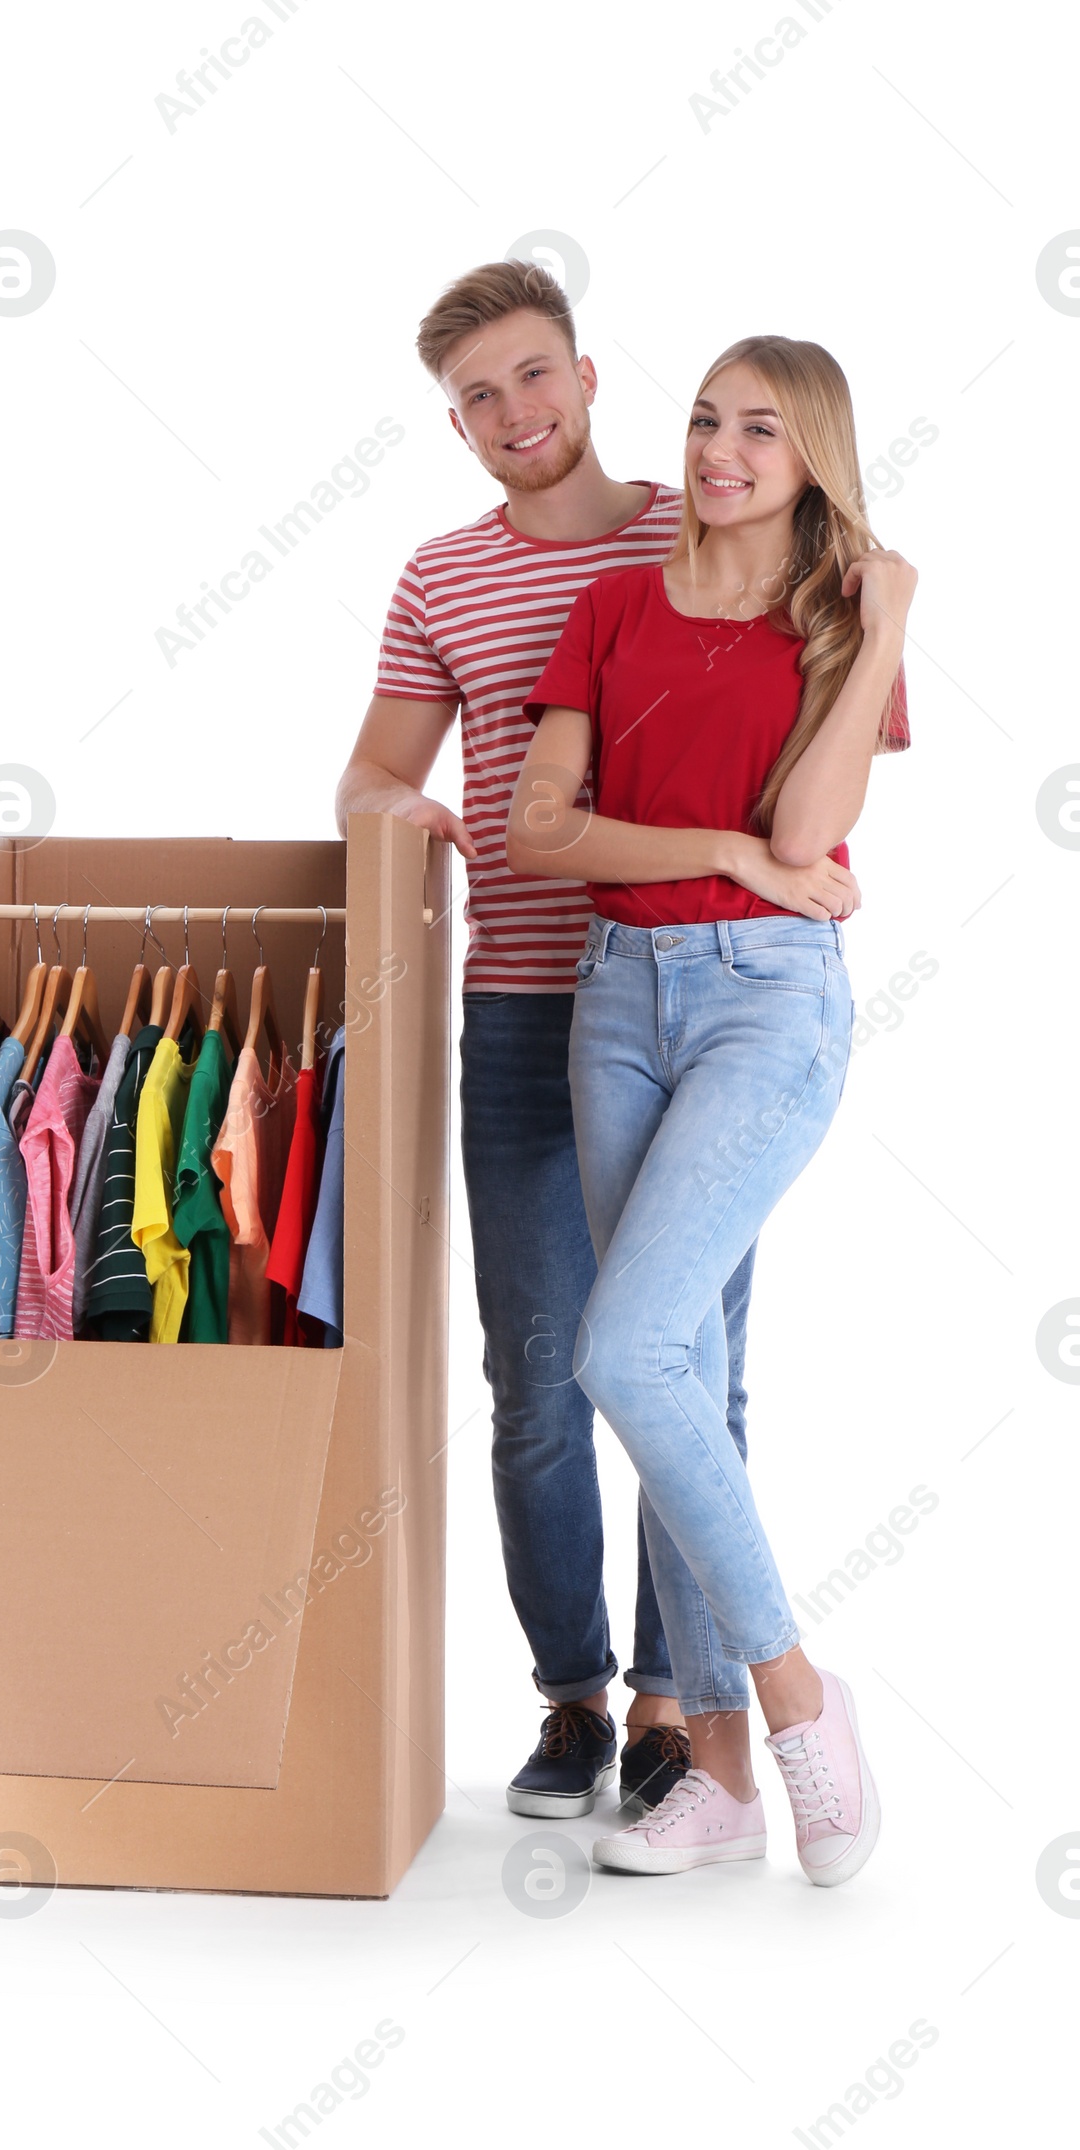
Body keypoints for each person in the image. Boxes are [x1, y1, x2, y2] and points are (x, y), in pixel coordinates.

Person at [335, 261, 756, 1821]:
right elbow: (369, 772)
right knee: (537, 1378)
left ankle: (673, 1704)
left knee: (682, 1371)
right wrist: (406, 809)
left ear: (586, 374)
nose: (514, 414)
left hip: (688, 1000)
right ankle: (574, 1697)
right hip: (517, 1011)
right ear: (458, 429)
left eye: (531, 377)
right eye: (478, 400)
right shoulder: (443, 580)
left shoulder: (702, 529)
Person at [505, 333, 913, 1884]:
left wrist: (885, 623)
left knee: (624, 1349)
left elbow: (813, 827)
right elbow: (541, 826)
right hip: (616, 999)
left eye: (761, 427)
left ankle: (801, 1699)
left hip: (767, 1003)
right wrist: (725, 853)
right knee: (688, 1372)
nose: (720, 447)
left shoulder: (834, 621)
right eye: (702, 418)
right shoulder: (611, 604)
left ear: (815, 458)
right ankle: (724, 1778)